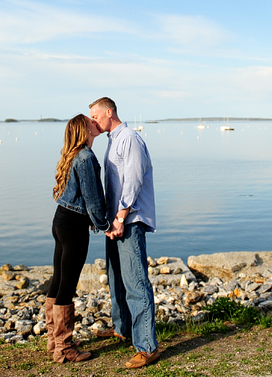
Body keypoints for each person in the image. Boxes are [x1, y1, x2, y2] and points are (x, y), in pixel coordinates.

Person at [89, 97, 159, 369]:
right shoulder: (112, 139)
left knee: (136, 283)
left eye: (95, 115)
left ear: (109, 112)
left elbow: (133, 179)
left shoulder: (129, 138)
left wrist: (120, 217)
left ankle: (147, 346)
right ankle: (122, 328)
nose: (93, 120)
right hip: (115, 222)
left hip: (128, 222)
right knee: (116, 278)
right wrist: (108, 219)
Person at [46, 114, 110, 363]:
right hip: (73, 226)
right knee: (67, 285)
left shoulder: (74, 154)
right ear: (84, 130)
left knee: (58, 280)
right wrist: (105, 225)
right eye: (90, 121)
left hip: (61, 221)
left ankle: (54, 340)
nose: (95, 122)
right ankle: (64, 348)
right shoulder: (85, 157)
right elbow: (93, 199)